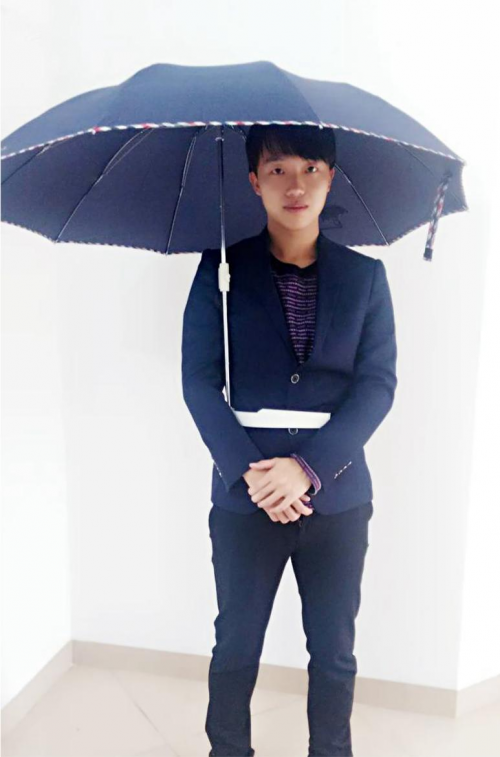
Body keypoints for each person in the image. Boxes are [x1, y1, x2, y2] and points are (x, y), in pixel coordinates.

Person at [181, 123, 398, 756]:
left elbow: (377, 386)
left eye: (310, 169)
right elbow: (199, 381)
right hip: (245, 494)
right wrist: (250, 473)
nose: (295, 185)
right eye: (278, 170)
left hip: (337, 496)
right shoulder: (221, 269)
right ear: (254, 181)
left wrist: (307, 467)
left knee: (334, 652)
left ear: (330, 178)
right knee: (235, 646)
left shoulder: (365, 277)